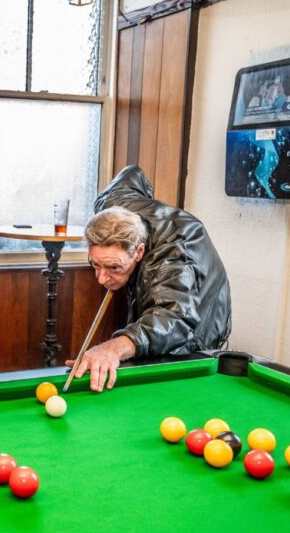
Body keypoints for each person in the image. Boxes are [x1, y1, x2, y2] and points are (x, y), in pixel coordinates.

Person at [67, 165, 231, 392]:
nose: (102, 279)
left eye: (114, 267)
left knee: (174, 391)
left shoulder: (171, 254)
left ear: (140, 251)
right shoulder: (113, 206)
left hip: (198, 326)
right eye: (96, 264)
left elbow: (173, 318)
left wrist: (112, 349)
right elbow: (132, 173)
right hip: (167, 302)